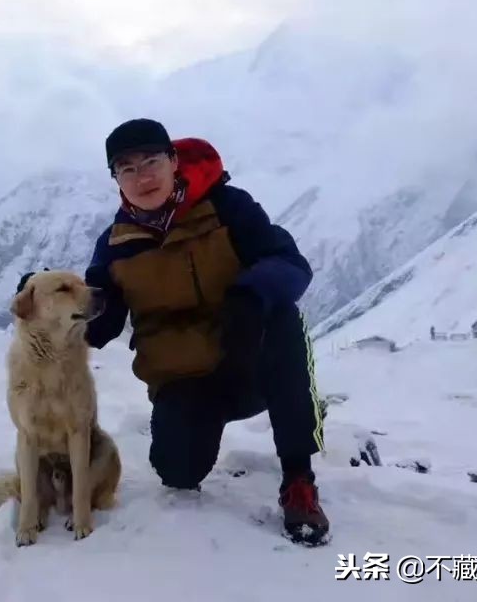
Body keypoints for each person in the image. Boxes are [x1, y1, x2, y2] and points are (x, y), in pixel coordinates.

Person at [19, 118, 329, 546]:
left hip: (249, 360)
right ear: (116, 180)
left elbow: (291, 264)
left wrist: (249, 297)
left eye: (151, 161)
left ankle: (299, 478)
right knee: (177, 472)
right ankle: (198, 433)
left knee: (283, 321)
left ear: (173, 161)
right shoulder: (116, 245)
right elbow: (99, 318)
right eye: (127, 168)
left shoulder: (227, 207)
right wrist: (45, 300)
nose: (142, 176)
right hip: (183, 379)